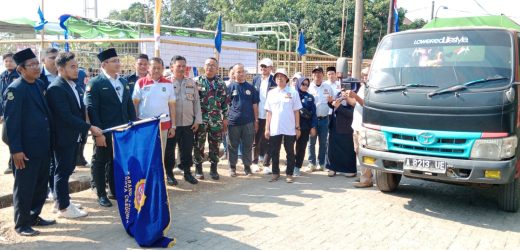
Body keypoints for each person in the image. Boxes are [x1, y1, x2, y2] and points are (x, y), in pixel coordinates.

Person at [3, 48, 56, 236]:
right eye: (31, 65)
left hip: (42, 146)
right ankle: (21, 223)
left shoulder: (39, 84)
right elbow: (11, 123)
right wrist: (16, 150)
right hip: (25, 150)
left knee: (40, 185)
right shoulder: (15, 90)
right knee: (24, 187)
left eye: (36, 63)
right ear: (21, 69)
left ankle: (34, 215)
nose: (36, 67)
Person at [46, 52, 103, 218]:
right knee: (62, 171)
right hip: (63, 137)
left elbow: (78, 110)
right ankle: (63, 207)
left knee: (67, 169)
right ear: (61, 69)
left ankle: (62, 200)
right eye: (72, 67)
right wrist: (89, 127)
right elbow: (65, 116)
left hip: (73, 136)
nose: (76, 69)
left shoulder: (74, 85)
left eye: (77, 66)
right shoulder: (56, 88)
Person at [85, 48, 137, 207]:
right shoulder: (96, 83)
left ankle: (115, 191)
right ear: (104, 64)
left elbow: (128, 105)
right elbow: (92, 109)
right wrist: (97, 134)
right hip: (105, 132)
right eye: (114, 61)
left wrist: (133, 124)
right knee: (100, 162)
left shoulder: (122, 81)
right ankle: (101, 193)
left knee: (118, 161)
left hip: (122, 131)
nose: (118, 63)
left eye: (118, 60)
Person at [132, 56, 176, 174]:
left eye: (159, 68)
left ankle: (158, 179)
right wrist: (135, 123)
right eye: (154, 68)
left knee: (160, 153)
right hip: (144, 126)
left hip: (164, 125)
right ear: (148, 68)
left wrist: (173, 126)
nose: (156, 70)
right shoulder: (140, 83)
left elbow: (172, 106)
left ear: (162, 69)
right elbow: (135, 104)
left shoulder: (168, 84)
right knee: (145, 152)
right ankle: (145, 177)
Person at [165, 55, 201, 185]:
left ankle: (187, 172)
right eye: (178, 66)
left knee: (186, 149)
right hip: (171, 125)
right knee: (169, 151)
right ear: (171, 67)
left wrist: (197, 120)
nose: (181, 68)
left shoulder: (191, 82)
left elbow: (196, 102)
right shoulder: (166, 83)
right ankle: (169, 174)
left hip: (188, 123)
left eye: (183, 66)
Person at [264, 69, 302, 183]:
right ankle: (276, 173)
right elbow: (269, 112)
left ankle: (289, 174)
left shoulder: (293, 92)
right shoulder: (271, 93)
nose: (279, 78)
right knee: (274, 151)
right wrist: (267, 128)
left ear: (286, 79)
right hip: (275, 127)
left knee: (290, 151)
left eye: (282, 76)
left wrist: (297, 127)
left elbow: (296, 111)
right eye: (277, 77)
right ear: (275, 79)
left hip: (290, 128)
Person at [193, 58, 228, 180]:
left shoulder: (221, 84)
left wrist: (225, 119)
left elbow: (225, 103)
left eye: (213, 65)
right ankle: (198, 169)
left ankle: (214, 169)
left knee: (215, 145)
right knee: (199, 144)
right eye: (208, 65)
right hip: (200, 120)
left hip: (216, 120)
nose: (210, 67)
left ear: (217, 68)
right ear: (204, 66)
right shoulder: (196, 82)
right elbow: (192, 102)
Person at [227, 63, 259, 177]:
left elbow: (255, 105)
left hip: (248, 122)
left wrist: (256, 120)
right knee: (232, 145)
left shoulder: (251, 88)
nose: (241, 74)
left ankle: (247, 167)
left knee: (248, 145)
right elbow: (225, 104)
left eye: (242, 71)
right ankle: (232, 167)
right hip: (233, 122)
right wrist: (225, 119)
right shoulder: (230, 87)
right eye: (238, 72)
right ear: (234, 74)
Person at [306, 66, 333, 172]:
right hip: (312, 120)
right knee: (311, 142)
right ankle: (311, 163)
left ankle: (321, 163)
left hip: (324, 119)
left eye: (319, 73)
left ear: (323, 74)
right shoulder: (309, 87)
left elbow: (332, 101)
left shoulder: (328, 87)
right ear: (312, 75)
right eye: (315, 73)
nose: (317, 75)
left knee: (323, 142)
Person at [252, 58, 276, 174]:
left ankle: (267, 164)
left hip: (270, 116)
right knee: (256, 140)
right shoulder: (255, 79)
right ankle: (255, 163)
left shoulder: (275, 80)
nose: (263, 69)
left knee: (269, 140)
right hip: (258, 115)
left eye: (265, 67)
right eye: (261, 67)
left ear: (271, 68)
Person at [326, 88, 357, 178]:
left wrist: (340, 105)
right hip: (334, 127)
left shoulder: (353, 99)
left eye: (346, 91)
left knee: (347, 150)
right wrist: (330, 101)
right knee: (332, 149)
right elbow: (334, 106)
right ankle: (332, 168)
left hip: (347, 129)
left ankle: (349, 169)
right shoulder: (339, 94)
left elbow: (351, 114)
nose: (344, 92)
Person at [352, 67, 373, 188]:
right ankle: (364, 175)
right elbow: (355, 103)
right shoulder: (362, 87)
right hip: (356, 125)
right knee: (358, 152)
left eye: (367, 75)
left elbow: (366, 104)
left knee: (364, 153)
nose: (365, 77)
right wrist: (347, 96)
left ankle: (366, 179)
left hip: (364, 127)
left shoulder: (372, 88)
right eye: (363, 75)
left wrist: (355, 96)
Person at [0, 52, 19, 175]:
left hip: (15, 112)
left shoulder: (18, 75)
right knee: (6, 137)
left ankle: (13, 163)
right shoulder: (3, 76)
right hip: (5, 112)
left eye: (11, 61)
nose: (8, 63)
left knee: (9, 137)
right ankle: (13, 162)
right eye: (6, 61)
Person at [294, 77, 317, 176]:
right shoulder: (293, 95)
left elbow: (313, 113)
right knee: (289, 147)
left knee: (301, 147)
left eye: (307, 84)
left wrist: (313, 127)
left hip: (305, 127)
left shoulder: (310, 97)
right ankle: (290, 165)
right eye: (303, 84)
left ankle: (297, 167)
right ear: (299, 84)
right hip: (291, 126)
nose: (305, 86)